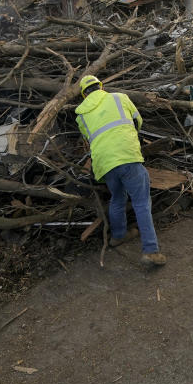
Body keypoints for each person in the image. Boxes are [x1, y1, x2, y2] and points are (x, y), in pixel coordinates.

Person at [75, 74, 166, 268]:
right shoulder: (119, 98)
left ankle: (118, 236)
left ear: (84, 95)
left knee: (117, 198)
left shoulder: (81, 114)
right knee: (142, 202)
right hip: (127, 156)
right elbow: (137, 121)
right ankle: (151, 250)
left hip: (104, 164)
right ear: (101, 86)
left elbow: (88, 138)